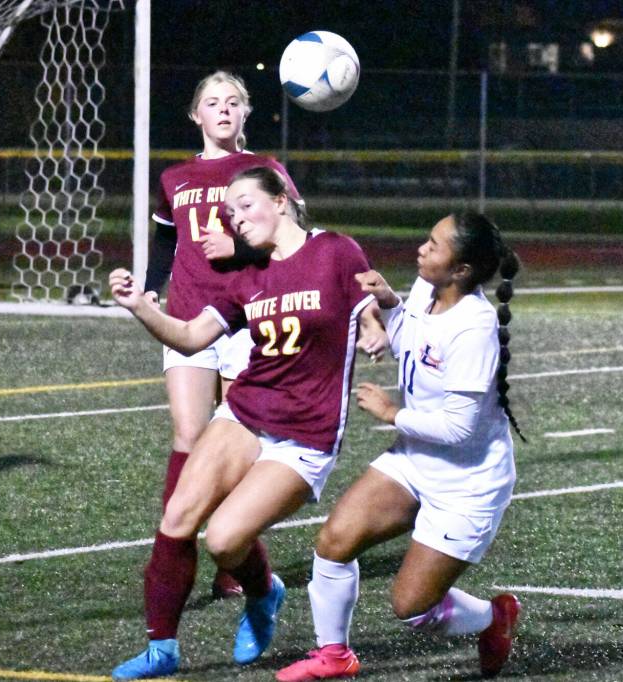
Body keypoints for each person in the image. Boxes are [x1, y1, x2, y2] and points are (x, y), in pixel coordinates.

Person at [110, 166, 385, 680]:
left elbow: (369, 307)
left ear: (281, 201)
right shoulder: (246, 278)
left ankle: (264, 593)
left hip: (305, 436)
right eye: (229, 213)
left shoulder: (335, 251)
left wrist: (374, 329)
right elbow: (191, 337)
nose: (235, 218)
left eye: (245, 205)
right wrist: (138, 308)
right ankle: (161, 649)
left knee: (224, 540)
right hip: (244, 413)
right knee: (178, 517)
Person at [275, 211, 525, 682]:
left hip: (466, 484)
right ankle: (334, 655)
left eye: (434, 246)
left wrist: (393, 414)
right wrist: (390, 303)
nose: (421, 249)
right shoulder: (429, 289)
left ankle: (496, 617)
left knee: (411, 609)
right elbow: (408, 342)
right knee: (333, 541)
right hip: (414, 459)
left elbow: (459, 429)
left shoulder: (474, 328)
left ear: (461, 271)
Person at [143, 70, 303, 601]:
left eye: (233, 102)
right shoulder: (176, 177)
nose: (224, 111)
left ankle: (233, 559)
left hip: (245, 318)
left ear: (246, 111)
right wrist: (148, 290)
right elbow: (166, 241)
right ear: (196, 114)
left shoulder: (266, 170)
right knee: (189, 437)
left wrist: (239, 252)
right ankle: (175, 547)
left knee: (238, 446)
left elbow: (293, 240)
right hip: (190, 316)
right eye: (213, 103)